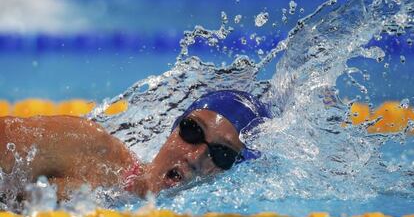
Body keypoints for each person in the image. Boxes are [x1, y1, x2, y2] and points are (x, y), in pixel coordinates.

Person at [0, 90, 270, 201]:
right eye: (192, 131)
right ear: (174, 128)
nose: (195, 155)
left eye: (222, 154)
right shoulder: (87, 149)